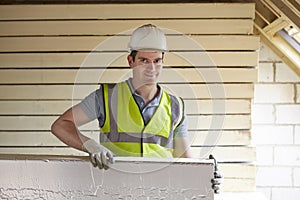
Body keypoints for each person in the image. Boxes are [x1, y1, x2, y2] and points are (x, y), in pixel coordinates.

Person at [51, 24, 221, 193]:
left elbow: (185, 160)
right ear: (130, 61)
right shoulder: (105, 97)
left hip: (159, 195)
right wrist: (90, 145)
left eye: (157, 61)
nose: (151, 68)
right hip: (115, 193)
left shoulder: (176, 107)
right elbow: (61, 125)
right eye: (144, 60)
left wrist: (206, 178)